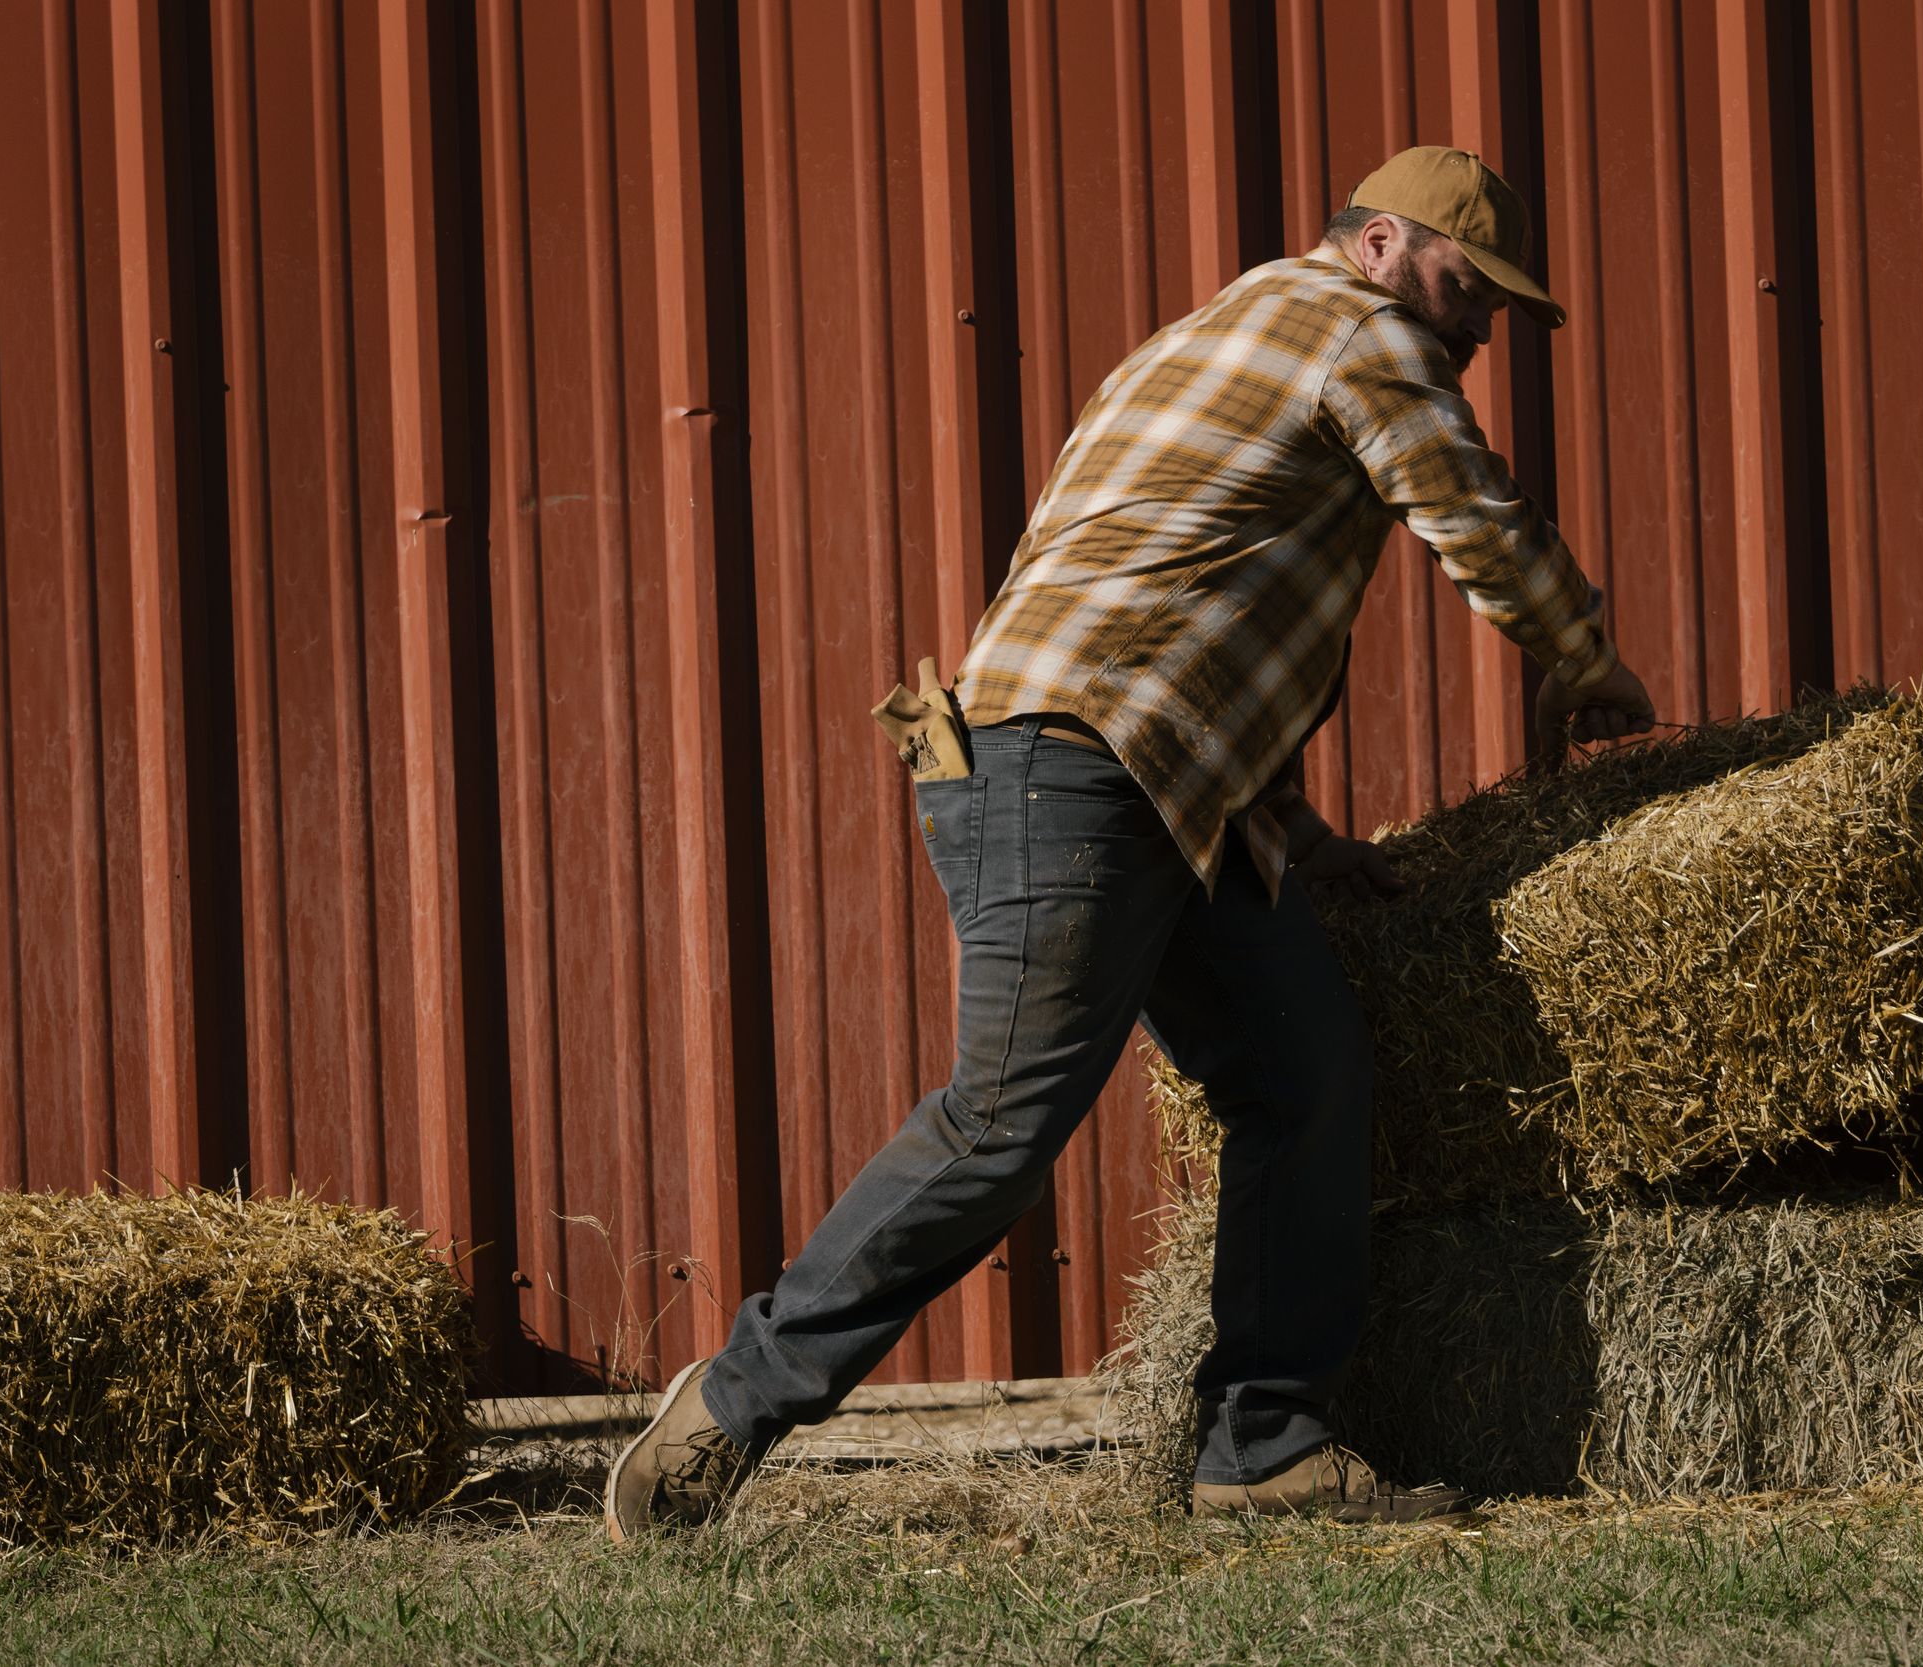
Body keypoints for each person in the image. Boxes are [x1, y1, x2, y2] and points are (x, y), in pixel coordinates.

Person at [605, 145, 1655, 1540]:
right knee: (1000, 1126)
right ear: (1385, 246)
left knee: (1305, 1074)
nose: (1479, 328)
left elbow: (1169, 583)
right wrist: (1584, 659)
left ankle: (1261, 1448)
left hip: (1138, 775)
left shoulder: (1205, 335)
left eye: (1501, 310)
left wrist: (1288, 825)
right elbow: (1471, 512)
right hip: (1076, 771)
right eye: (1471, 288)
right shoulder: (1362, 332)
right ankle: (725, 1413)